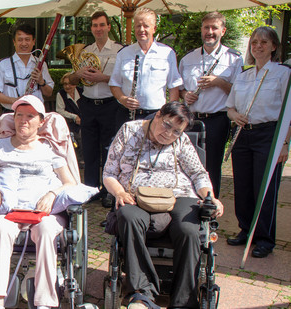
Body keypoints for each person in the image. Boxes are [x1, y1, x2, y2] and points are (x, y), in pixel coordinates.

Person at [103, 101, 224, 308]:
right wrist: (119, 192)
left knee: (188, 228)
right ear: (157, 115)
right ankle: (141, 293)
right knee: (129, 217)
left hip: (179, 194)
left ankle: (184, 301)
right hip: (135, 193)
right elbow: (109, 173)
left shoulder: (181, 141)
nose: (169, 134)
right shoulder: (129, 131)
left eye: (176, 131)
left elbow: (198, 174)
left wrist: (210, 196)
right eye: (167, 125)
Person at [0, 95, 76, 309]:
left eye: (30, 116)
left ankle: (44, 302)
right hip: (9, 211)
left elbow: (70, 183)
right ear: (13, 118)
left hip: (45, 214)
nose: (23, 120)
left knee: (46, 231)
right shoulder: (1, 146)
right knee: (1, 228)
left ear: (41, 122)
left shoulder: (50, 149)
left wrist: (53, 194)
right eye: (19, 116)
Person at [224, 26, 291, 258]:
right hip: (243, 134)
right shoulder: (243, 75)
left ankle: (263, 238)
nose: (258, 46)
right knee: (242, 185)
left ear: (273, 46)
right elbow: (230, 108)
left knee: (264, 187)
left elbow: (288, 111)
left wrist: (285, 144)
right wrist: (234, 116)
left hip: (269, 134)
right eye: (254, 42)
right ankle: (246, 229)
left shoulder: (283, 74)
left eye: (264, 42)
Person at [179, 12, 243, 197]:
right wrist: (186, 95)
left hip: (217, 120)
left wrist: (218, 82)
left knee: (211, 167)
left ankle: (210, 207)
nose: (210, 32)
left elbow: (240, 93)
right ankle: (190, 204)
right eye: (206, 27)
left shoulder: (234, 59)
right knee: (188, 164)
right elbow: (180, 89)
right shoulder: (188, 59)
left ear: (222, 31)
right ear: (201, 30)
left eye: (214, 28)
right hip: (191, 119)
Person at [68, 11, 124, 199]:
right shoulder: (85, 51)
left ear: (108, 26)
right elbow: (73, 80)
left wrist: (104, 78)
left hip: (110, 104)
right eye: (94, 25)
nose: (98, 29)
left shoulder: (119, 50)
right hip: (88, 104)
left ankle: (109, 191)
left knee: (109, 148)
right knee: (89, 148)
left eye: (101, 25)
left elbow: (125, 79)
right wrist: (79, 74)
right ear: (91, 28)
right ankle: (91, 190)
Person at [109, 8, 182, 126]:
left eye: (146, 26)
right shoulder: (124, 53)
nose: (141, 30)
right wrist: (123, 99)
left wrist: (168, 115)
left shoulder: (167, 53)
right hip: (127, 114)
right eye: (138, 26)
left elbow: (174, 87)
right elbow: (114, 84)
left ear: (154, 28)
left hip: (155, 115)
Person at [0, 24, 54, 112]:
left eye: (27, 39)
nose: (23, 43)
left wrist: (41, 82)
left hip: (36, 113)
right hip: (11, 112)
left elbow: (48, 93)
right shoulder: (3, 65)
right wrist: (16, 101)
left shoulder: (41, 64)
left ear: (33, 41)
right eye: (20, 40)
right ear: (14, 42)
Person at [56, 72, 84, 164]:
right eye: (65, 84)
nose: (67, 86)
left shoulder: (82, 91)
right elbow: (60, 111)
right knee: (79, 134)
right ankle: (80, 159)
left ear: (75, 84)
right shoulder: (61, 94)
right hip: (69, 123)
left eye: (70, 84)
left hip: (85, 121)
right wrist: (74, 117)